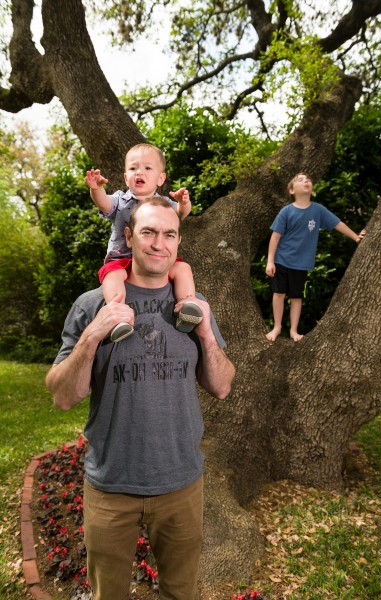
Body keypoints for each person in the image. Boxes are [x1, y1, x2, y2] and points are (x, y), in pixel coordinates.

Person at [45, 197, 235, 600]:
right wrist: (94, 334)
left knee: (181, 592)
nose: (158, 243)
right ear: (128, 237)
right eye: (148, 232)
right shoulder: (91, 305)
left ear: (178, 242)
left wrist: (204, 335)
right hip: (112, 485)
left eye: (168, 234)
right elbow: (62, 396)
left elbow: (222, 386)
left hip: (181, 483)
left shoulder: (194, 306)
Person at [85, 142, 202, 343]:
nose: (140, 172)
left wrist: (184, 203)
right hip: (122, 258)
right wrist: (96, 189)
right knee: (112, 277)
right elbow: (104, 203)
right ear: (125, 177)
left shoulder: (164, 204)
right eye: (133, 168)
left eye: (148, 168)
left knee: (182, 268)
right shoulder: (120, 200)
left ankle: (186, 305)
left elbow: (181, 214)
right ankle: (119, 317)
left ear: (160, 178)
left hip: (154, 257)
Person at [265, 172, 366, 342]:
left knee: (296, 297)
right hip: (281, 260)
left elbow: (337, 224)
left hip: (301, 264)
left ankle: (293, 331)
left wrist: (356, 237)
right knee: (279, 293)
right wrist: (270, 261)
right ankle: (277, 327)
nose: (306, 181)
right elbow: (275, 237)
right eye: (300, 180)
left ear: (312, 190)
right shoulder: (286, 211)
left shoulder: (318, 210)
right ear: (291, 190)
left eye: (309, 180)